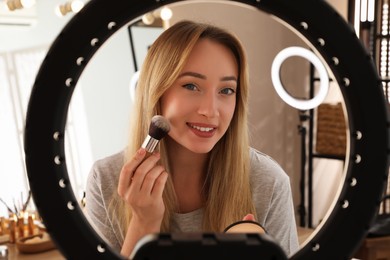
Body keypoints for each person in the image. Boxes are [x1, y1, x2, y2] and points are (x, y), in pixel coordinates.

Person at [85, 20, 299, 258]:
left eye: (226, 90)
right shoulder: (104, 181)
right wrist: (143, 223)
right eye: (191, 86)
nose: (211, 110)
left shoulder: (268, 182)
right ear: (156, 91)